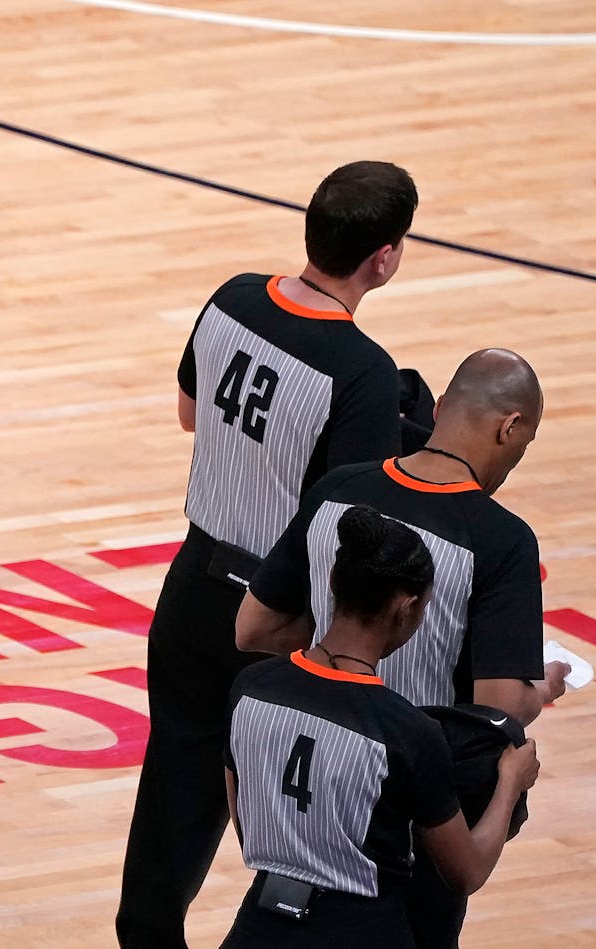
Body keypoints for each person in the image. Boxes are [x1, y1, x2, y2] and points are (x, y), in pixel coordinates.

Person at [116, 160, 419, 948]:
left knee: (174, 789)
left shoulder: (233, 297)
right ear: (384, 257)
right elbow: (355, 526)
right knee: (303, 817)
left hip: (192, 584)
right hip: (282, 613)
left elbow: (190, 413)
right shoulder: (362, 371)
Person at [235, 347, 569, 945]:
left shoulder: (340, 489)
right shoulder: (502, 539)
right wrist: (539, 687)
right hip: (417, 811)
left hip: (308, 805)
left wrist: (338, 649)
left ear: (440, 408)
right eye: (526, 442)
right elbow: (497, 703)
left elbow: (254, 629)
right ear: (510, 427)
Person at [220, 505, 540, 948]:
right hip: (364, 931)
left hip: (259, 925)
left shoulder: (249, 688)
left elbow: (245, 823)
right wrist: (510, 782)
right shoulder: (407, 731)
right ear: (406, 609)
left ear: (333, 583)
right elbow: (464, 873)